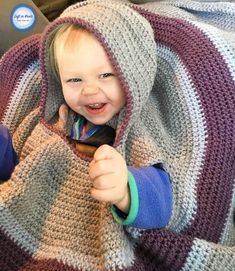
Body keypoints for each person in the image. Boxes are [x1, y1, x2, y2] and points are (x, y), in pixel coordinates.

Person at [0, 0, 234, 271]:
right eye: (75, 80)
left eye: (106, 75)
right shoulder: (53, 118)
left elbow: (167, 202)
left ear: (132, 74)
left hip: (89, 247)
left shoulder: (140, 129)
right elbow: (20, 164)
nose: (89, 91)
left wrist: (127, 189)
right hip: (28, 223)